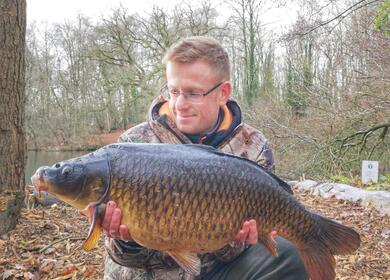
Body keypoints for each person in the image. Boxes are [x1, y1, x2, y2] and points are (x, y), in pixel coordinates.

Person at [102, 36, 308, 280]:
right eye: (173, 91)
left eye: (192, 93)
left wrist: (235, 239)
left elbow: (243, 249)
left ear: (223, 93)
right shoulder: (133, 145)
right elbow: (121, 257)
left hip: (216, 271)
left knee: (288, 254)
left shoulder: (253, 147)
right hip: (149, 274)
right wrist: (130, 239)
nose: (179, 104)